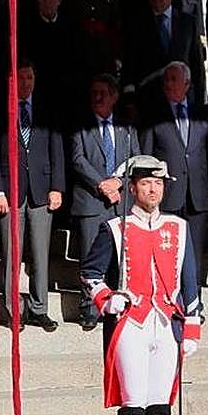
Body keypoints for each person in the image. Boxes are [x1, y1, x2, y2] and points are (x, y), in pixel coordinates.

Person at [81, 155, 199, 415]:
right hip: (131, 323)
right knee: (134, 403)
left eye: (159, 183)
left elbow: (189, 281)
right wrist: (107, 298)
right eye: (147, 183)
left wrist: (191, 327)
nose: (153, 189)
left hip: (166, 323)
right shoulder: (114, 228)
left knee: (160, 404)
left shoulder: (178, 228)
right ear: (133, 188)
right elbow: (90, 273)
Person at [0, 60, 64, 331]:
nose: (26, 83)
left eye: (29, 77)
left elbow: (57, 149)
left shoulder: (48, 109)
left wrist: (57, 187)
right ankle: (13, 309)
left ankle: (40, 308)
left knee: (40, 254)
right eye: (21, 78)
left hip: (42, 190)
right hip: (10, 191)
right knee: (12, 255)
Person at [70, 74, 140, 330]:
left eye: (103, 92)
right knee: (91, 255)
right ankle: (90, 307)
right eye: (94, 92)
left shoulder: (126, 127)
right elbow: (78, 159)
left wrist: (118, 182)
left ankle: (120, 301)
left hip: (120, 202)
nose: (98, 97)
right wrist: (102, 184)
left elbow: (135, 159)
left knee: (121, 255)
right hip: (92, 201)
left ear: (114, 96)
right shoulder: (81, 125)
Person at [139, 62, 208, 270]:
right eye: (166, 79)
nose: (168, 84)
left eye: (174, 79)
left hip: (197, 195)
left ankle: (193, 300)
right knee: (165, 251)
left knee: (193, 254)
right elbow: (146, 158)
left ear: (187, 84)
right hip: (167, 196)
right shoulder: (153, 115)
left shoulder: (202, 114)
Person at [122, 0, 205, 104]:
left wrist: (200, 98)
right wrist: (129, 98)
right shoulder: (137, 25)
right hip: (149, 97)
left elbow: (196, 64)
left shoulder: (187, 23)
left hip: (182, 96)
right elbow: (130, 63)